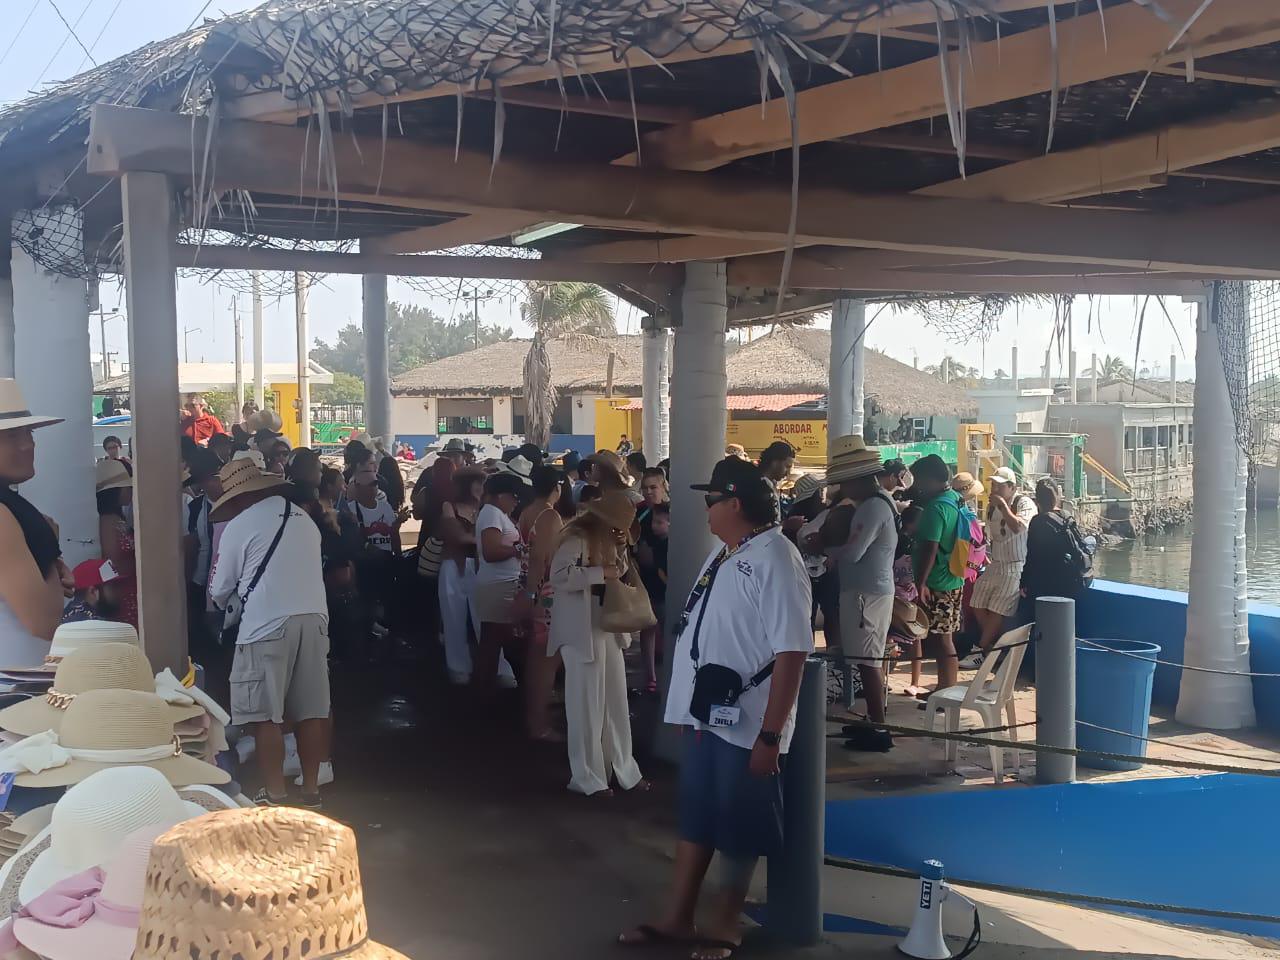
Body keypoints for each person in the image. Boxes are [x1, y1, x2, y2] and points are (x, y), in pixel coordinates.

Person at [621, 457, 812, 959]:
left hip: (749, 722)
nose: (704, 509)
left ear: (735, 504)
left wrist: (770, 735)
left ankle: (725, 923)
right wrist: (688, 711)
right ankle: (678, 916)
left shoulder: (777, 559)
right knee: (700, 817)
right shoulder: (728, 552)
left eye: (712, 500)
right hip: (710, 716)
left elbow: (793, 651)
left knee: (739, 825)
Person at [208, 457, 330, 808]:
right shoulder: (303, 518)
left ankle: (275, 793)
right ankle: (311, 792)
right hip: (314, 619)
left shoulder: (240, 524)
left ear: (237, 496)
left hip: (265, 625)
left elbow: (220, 588)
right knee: (310, 711)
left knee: (265, 716)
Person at [549, 489, 647, 796]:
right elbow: (559, 577)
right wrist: (598, 573)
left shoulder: (612, 541)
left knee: (615, 703)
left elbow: (622, 575)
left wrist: (619, 556)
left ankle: (622, 769)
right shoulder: (575, 538)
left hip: (607, 628)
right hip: (580, 631)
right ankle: (588, 777)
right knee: (585, 707)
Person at [825, 438, 897, 751]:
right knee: (868, 658)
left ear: (857, 480)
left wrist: (822, 548)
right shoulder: (876, 503)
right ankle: (874, 719)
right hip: (867, 590)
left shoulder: (872, 508)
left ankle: (879, 727)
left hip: (865, 594)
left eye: (844, 483)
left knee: (868, 660)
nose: (843, 489)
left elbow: (853, 553)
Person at [0, 381, 70, 658]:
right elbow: (44, 622)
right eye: (10, 435)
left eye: (28, 431)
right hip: (13, 683)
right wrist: (49, 551)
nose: (27, 444)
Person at [964, 467, 1035, 668]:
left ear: (1011, 487)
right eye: (993, 484)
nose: (994, 488)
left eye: (999, 485)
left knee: (998, 607)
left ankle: (980, 649)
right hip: (996, 562)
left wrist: (1003, 506)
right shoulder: (991, 506)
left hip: (1015, 565)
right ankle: (994, 650)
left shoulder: (1024, 503)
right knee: (977, 600)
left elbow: (1019, 527)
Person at [517, 465, 567, 738]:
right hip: (545, 594)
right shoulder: (549, 516)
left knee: (536, 659)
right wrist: (533, 595)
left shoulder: (526, 512)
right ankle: (539, 724)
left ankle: (533, 717)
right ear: (556, 489)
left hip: (531, 589)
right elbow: (540, 559)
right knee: (546, 660)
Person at [911, 454, 964, 695]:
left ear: (931, 479)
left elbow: (929, 547)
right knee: (946, 636)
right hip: (954, 577)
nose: (917, 485)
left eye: (920, 479)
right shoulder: (955, 498)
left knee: (942, 639)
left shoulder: (936, 508)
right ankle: (946, 688)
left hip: (937, 582)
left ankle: (945, 691)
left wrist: (920, 582)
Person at [473, 472, 529, 695]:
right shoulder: (492, 515)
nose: (516, 501)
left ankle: (483, 695)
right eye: (514, 496)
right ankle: (484, 696)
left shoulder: (495, 514)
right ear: (500, 496)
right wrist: (518, 550)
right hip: (498, 587)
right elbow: (491, 551)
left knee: (492, 644)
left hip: (498, 585)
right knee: (497, 644)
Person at [1018, 478, 1093, 624]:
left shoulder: (1038, 522)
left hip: (1045, 583)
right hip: (1068, 580)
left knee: (1041, 623)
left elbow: (1031, 556)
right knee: (1063, 626)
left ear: (1037, 500)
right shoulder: (1066, 517)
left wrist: (1023, 582)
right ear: (1057, 497)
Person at [438, 466, 485, 685]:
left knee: (483, 617)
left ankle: (494, 666)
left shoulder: (485, 507)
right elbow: (455, 536)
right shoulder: (450, 506)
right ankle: (458, 667)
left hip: (477, 566)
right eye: (477, 483)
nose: (481, 488)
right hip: (453, 565)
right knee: (453, 617)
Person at [95, 457, 138, 629]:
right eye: (128, 487)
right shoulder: (107, 521)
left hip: (129, 588)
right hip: (123, 591)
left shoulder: (116, 518)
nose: (131, 490)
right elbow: (114, 562)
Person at [635, 501, 670, 695]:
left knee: (659, 634)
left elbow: (666, 576)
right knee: (649, 632)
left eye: (659, 522)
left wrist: (652, 563)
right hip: (651, 594)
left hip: (661, 596)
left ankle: (656, 677)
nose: (654, 525)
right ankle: (651, 676)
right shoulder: (652, 541)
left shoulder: (669, 546)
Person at [60, 559, 125, 623]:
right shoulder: (86, 623)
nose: (120, 592)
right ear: (93, 592)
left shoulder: (72, 615)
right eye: (113, 587)